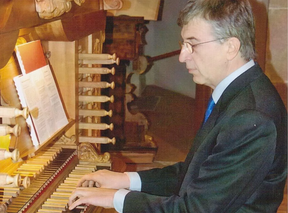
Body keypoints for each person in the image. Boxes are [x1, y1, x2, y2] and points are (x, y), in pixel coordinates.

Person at [68, 0, 287, 212]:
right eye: (184, 44)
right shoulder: (237, 94)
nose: (183, 56)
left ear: (230, 47)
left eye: (192, 44)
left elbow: (194, 208)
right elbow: (193, 173)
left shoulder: (250, 117)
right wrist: (124, 179)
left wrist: (116, 199)